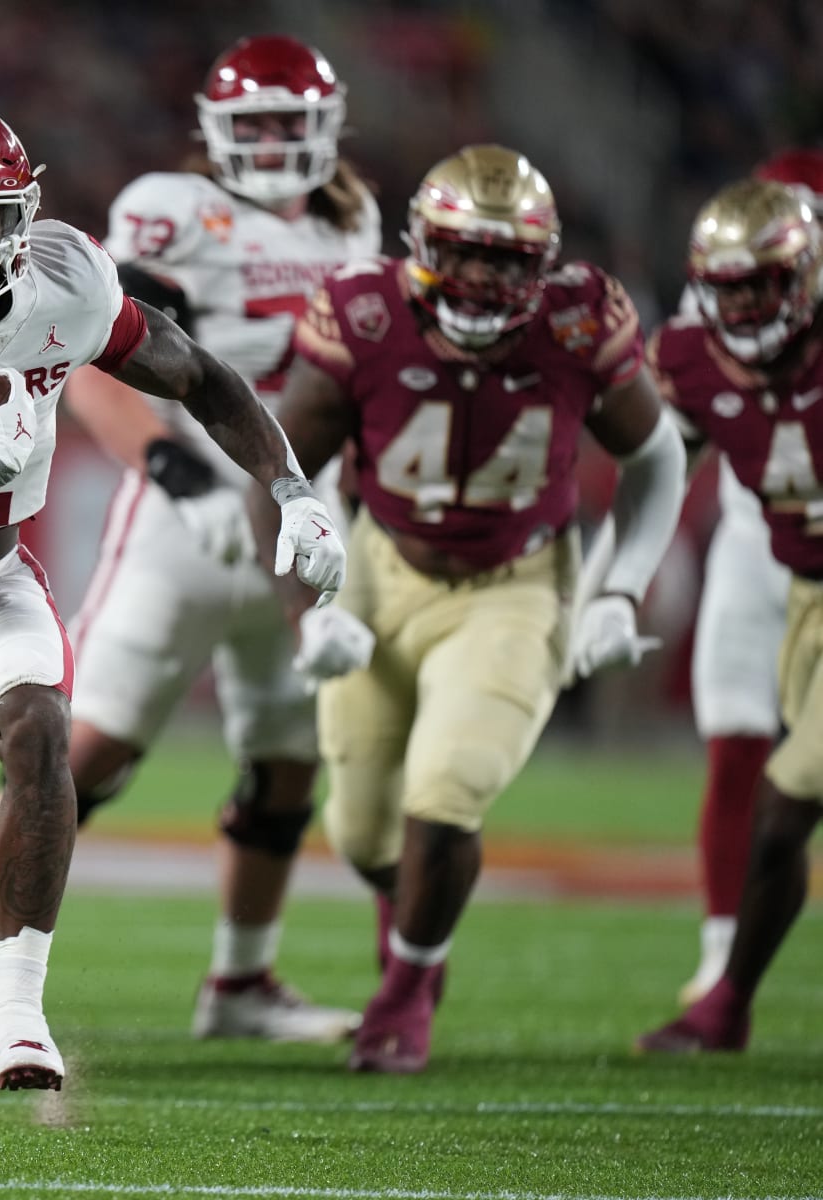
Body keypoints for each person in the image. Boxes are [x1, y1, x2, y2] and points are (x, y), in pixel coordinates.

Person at [0, 97, 346, 1120]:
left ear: (23, 211)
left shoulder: (67, 280)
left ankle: (21, 1007)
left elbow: (200, 373)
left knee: (40, 727)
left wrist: (293, 488)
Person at [0, 34, 376, 1044]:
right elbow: (95, 359)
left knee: (288, 760)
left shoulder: (354, 223)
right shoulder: (171, 212)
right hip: (193, 517)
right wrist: (172, 471)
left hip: (303, 510)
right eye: (248, 122)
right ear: (214, 131)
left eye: (284, 123)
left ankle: (241, 984)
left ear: (323, 131)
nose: (266, 142)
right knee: (87, 753)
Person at [250, 144, 686, 1073]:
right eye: (464, 252)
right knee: (363, 832)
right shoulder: (363, 313)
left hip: (518, 583)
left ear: (544, 265)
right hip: (382, 562)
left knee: (446, 793)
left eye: (507, 259)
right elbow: (285, 471)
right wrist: (309, 611)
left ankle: (408, 985)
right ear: (421, 246)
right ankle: (412, 912)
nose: (484, 278)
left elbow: (656, 459)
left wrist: (618, 584)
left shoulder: (578, 321)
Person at [637, 178, 823, 1053]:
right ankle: (729, 999)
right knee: (769, 783)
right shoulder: (690, 356)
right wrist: (616, 575)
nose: (746, 305)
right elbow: (660, 465)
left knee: (789, 798)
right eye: (730, 286)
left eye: (765, 284)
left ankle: (725, 1006)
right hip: (802, 587)